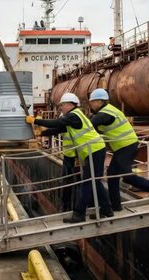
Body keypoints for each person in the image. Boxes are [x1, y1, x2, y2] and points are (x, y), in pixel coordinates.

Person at [27, 92, 114, 223]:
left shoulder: (74, 115)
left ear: (69, 104)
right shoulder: (73, 117)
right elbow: (60, 129)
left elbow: (56, 123)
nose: (60, 107)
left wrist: (35, 120)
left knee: (88, 182)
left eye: (62, 105)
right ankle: (107, 210)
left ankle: (79, 214)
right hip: (93, 150)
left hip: (94, 150)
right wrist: (42, 133)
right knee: (94, 182)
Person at [88, 88, 149, 211]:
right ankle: (116, 206)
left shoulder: (106, 113)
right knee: (112, 175)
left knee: (127, 176)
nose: (90, 104)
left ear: (100, 102)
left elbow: (91, 124)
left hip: (127, 146)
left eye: (92, 102)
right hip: (122, 147)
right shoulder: (106, 111)